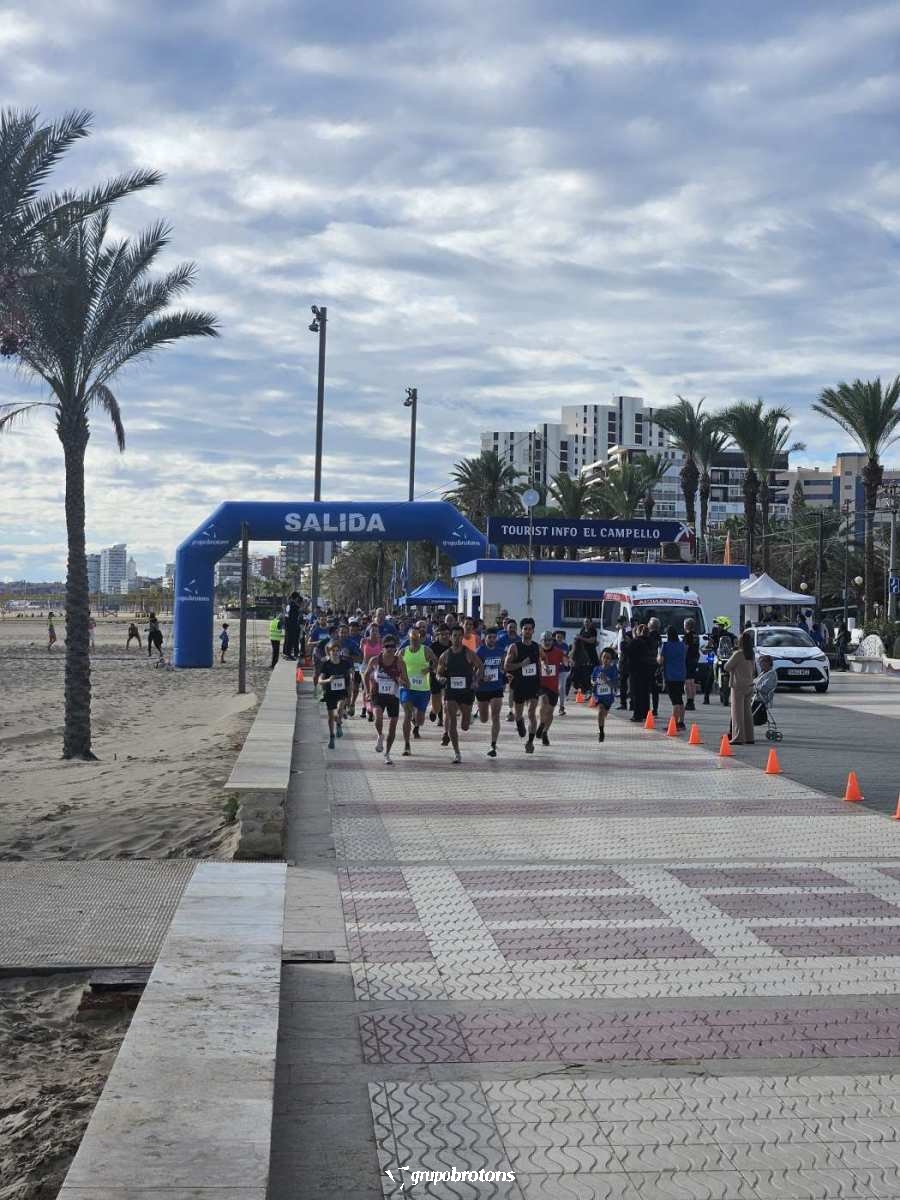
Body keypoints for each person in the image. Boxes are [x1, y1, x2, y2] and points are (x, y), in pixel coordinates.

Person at [435, 625, 482, 764]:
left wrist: (476, 680)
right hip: (451, 691)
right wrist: (440, 678)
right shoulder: (445, 655)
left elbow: (480, 666)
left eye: (459, 636)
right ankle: (457, 753)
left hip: (466, 691)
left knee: (465, 726)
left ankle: (468, 717)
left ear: (463, 637)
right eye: (454, 635)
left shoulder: (469, 653)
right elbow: (438, 673)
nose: (456, 638)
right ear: (451, 637)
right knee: (451, 721)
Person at [365, 634, 409, 765]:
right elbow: (366, 675)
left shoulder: (400, 662)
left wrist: (401, 681)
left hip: (393, 696)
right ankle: (380, 735)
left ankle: (387, 754)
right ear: (382, 647)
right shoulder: (375, 660)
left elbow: (407, 683)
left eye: (392, 646)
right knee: (378, 717)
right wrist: (367, 691)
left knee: (392, 726)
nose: (390, 649)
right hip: (378, 695)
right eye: (387, 646)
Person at [504, 617, 541, 753]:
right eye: (525, 629)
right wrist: (521, 664)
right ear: (521, 631)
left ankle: (530, 742)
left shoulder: (537, 647)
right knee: (518, 714)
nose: (527, 631)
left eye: (530, 629)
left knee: (532, 713)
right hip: (519, 684)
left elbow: (542, 662)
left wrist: (545, 670)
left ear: (533, 631)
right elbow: (506, 666)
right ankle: (519, 722)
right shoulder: (514, 647)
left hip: (533, 684)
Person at [400, 626, 438, 756]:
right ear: (409, 638)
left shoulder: (426, 650)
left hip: (423, 690)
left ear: (421, 638)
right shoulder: (403, 652)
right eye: (413, 638)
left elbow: (436, 662)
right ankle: (407, 745)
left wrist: (429, 669)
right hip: (407, 688)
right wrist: (400, 679)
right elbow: (395, 665)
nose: (415, 641)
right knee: (407, 714)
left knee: (420, 721)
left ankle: (416, 721)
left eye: (417, 638)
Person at [535, 630, 569, 746]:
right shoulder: (537, 652)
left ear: (552, 641)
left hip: (553, 686)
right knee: (544, 702)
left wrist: (567, 663)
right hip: (541, 685)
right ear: (541, 641)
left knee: (550, 711)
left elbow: (566, 663)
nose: (547, 642)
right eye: (545, 640)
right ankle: (541, 724)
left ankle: (545, 732)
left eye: (549, 640)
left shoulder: (558, 652)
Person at [476, 627, 506, 757]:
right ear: (485, 639)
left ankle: (493, 744)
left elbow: (503, 667)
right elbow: (474, 670)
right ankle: (479, 712)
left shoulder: (501, 651)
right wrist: (482, 677)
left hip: (496, 687)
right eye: (490, 637)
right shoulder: (480, 651)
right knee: (484, 719)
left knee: (496, 716)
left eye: (494, 637)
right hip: (482, 688)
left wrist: (506, 675)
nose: (492, 640)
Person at [319, 640, 353, 749]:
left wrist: (350, 695)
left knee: (339, 708)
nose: (335, 652)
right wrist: (328, 680)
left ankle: (338, 723)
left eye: (337, 650)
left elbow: (349, 679)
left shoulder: (344, 663)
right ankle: (332, 736)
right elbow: (320, 680)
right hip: (330, 693)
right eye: (333, 650)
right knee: (330, 717)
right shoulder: (326, 664)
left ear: (340, 652)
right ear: (329, 652)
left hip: (341, 692)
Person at [725, 631, 757, 745]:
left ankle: (738, 737)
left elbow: (727, 667)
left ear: (740, 642)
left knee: (737, 713)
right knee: (747, 712)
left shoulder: (738, 654)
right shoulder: (751, 654)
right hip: (749, 684)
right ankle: (749, 737)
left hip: (738, 686)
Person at [659, 625, 687, 730]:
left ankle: (674, 724)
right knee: (680, 699)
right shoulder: (682, 645)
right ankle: (681, 722)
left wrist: (658, 656)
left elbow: (661, 660)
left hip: (671, 675)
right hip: (681, 674)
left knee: (674, 701)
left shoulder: (666, 646)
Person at [628, 623, 655, 722]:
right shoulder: (651, 642)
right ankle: (645, 713)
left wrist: (630, 639)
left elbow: (627, 651)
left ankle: (637, 715)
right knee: (645, 693)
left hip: (636, 670)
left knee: (636, 693)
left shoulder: (636, 641)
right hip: (647, 669)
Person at [591, 648, 619, 742]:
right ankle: (601, 732)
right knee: (601, 711)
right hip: (599, 696)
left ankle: (601, 725)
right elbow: (592, 679)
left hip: (608, 697)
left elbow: (615, 685)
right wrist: (593, 682)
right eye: (604, 657)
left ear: (611, 660)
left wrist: (606, 680)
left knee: (604, 714)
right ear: (601, 658)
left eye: (608, 658)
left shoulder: (613, 670)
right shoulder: (597, 669)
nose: (605, 660)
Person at [496, 618, 520, 723]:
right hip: (502, 667)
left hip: (513, 668)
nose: (512, 629)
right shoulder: (501, 640)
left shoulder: (519, 640)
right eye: (510, 627)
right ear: (506, 628)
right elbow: (497, 653)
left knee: (512, 690)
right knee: (500, 690)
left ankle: (510, 712)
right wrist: (501, 667)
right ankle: (497, 709)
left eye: (514, 627)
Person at [428, 625, 451, 727]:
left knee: (447, 701)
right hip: (435, 675)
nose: (445, 636)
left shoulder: (452, 645)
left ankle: (443, 721)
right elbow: (429, 664)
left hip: (449, 676)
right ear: (438, 635)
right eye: (442, 634)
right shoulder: (433, 647)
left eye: (447, 634)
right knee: (436, 705)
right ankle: (434, 711)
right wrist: (436, 672)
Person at [571, 617, 599, 696]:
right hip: (583, 654)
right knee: (583, 671)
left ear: (591, 623)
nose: (586, 623)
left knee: (591, 671)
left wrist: (581, 638)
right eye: (585, 622)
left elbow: (591, 640)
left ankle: (591, 689)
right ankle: (583, 688)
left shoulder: (593, 630)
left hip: (591, 653)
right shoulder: (582, 629)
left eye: (587, 622)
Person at [360, 626, 383, 721]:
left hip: (376, 667)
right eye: (372, 630)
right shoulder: (364, 641)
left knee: (374, 688)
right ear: (369, 631)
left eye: (376, 631)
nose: (374, 632)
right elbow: (362, 652)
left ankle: (370, 708)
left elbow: (382, 653)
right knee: (366, 688)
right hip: (365, 666)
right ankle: (365, 708)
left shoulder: (380, 641)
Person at [683, 618, 700, 711]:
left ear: (687, 625)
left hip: (688, 659)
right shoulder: (696, 636)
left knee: (687, 681)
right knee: (692, 681)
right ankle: (692, 701)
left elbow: (685, 648)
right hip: (695, 659)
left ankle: (689, 701)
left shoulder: (687, 636)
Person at [646, 617, 662, 717]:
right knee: (655, 689)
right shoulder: (659, 637)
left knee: (647, 688)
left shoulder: (648, 636)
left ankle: (647, 708)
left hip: (648, 664)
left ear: (651, 625)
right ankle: (655, 709)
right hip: (656, 664)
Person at [553, 630, 571, 715]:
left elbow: (567, 657)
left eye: (561, 637)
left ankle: (561, 706)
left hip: (562, 670)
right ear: (555, 637)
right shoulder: (552, 645)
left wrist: (568, 662)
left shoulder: (565, 646)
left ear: (563, 638)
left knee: (561, 688)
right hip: (553, 670)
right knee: (553, 688)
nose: (559, 638)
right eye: (558, 637)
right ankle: (550, 705)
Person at [283, 592, 302, 660]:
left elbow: (286, 615)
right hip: (292, 625)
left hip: (288, 624)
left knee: (288, 640)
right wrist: (307, 603)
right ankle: (288, 655)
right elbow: (300, 610)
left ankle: (286, 654)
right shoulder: (293, 604)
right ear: (296, 597)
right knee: (290, 640)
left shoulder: (289, 604)